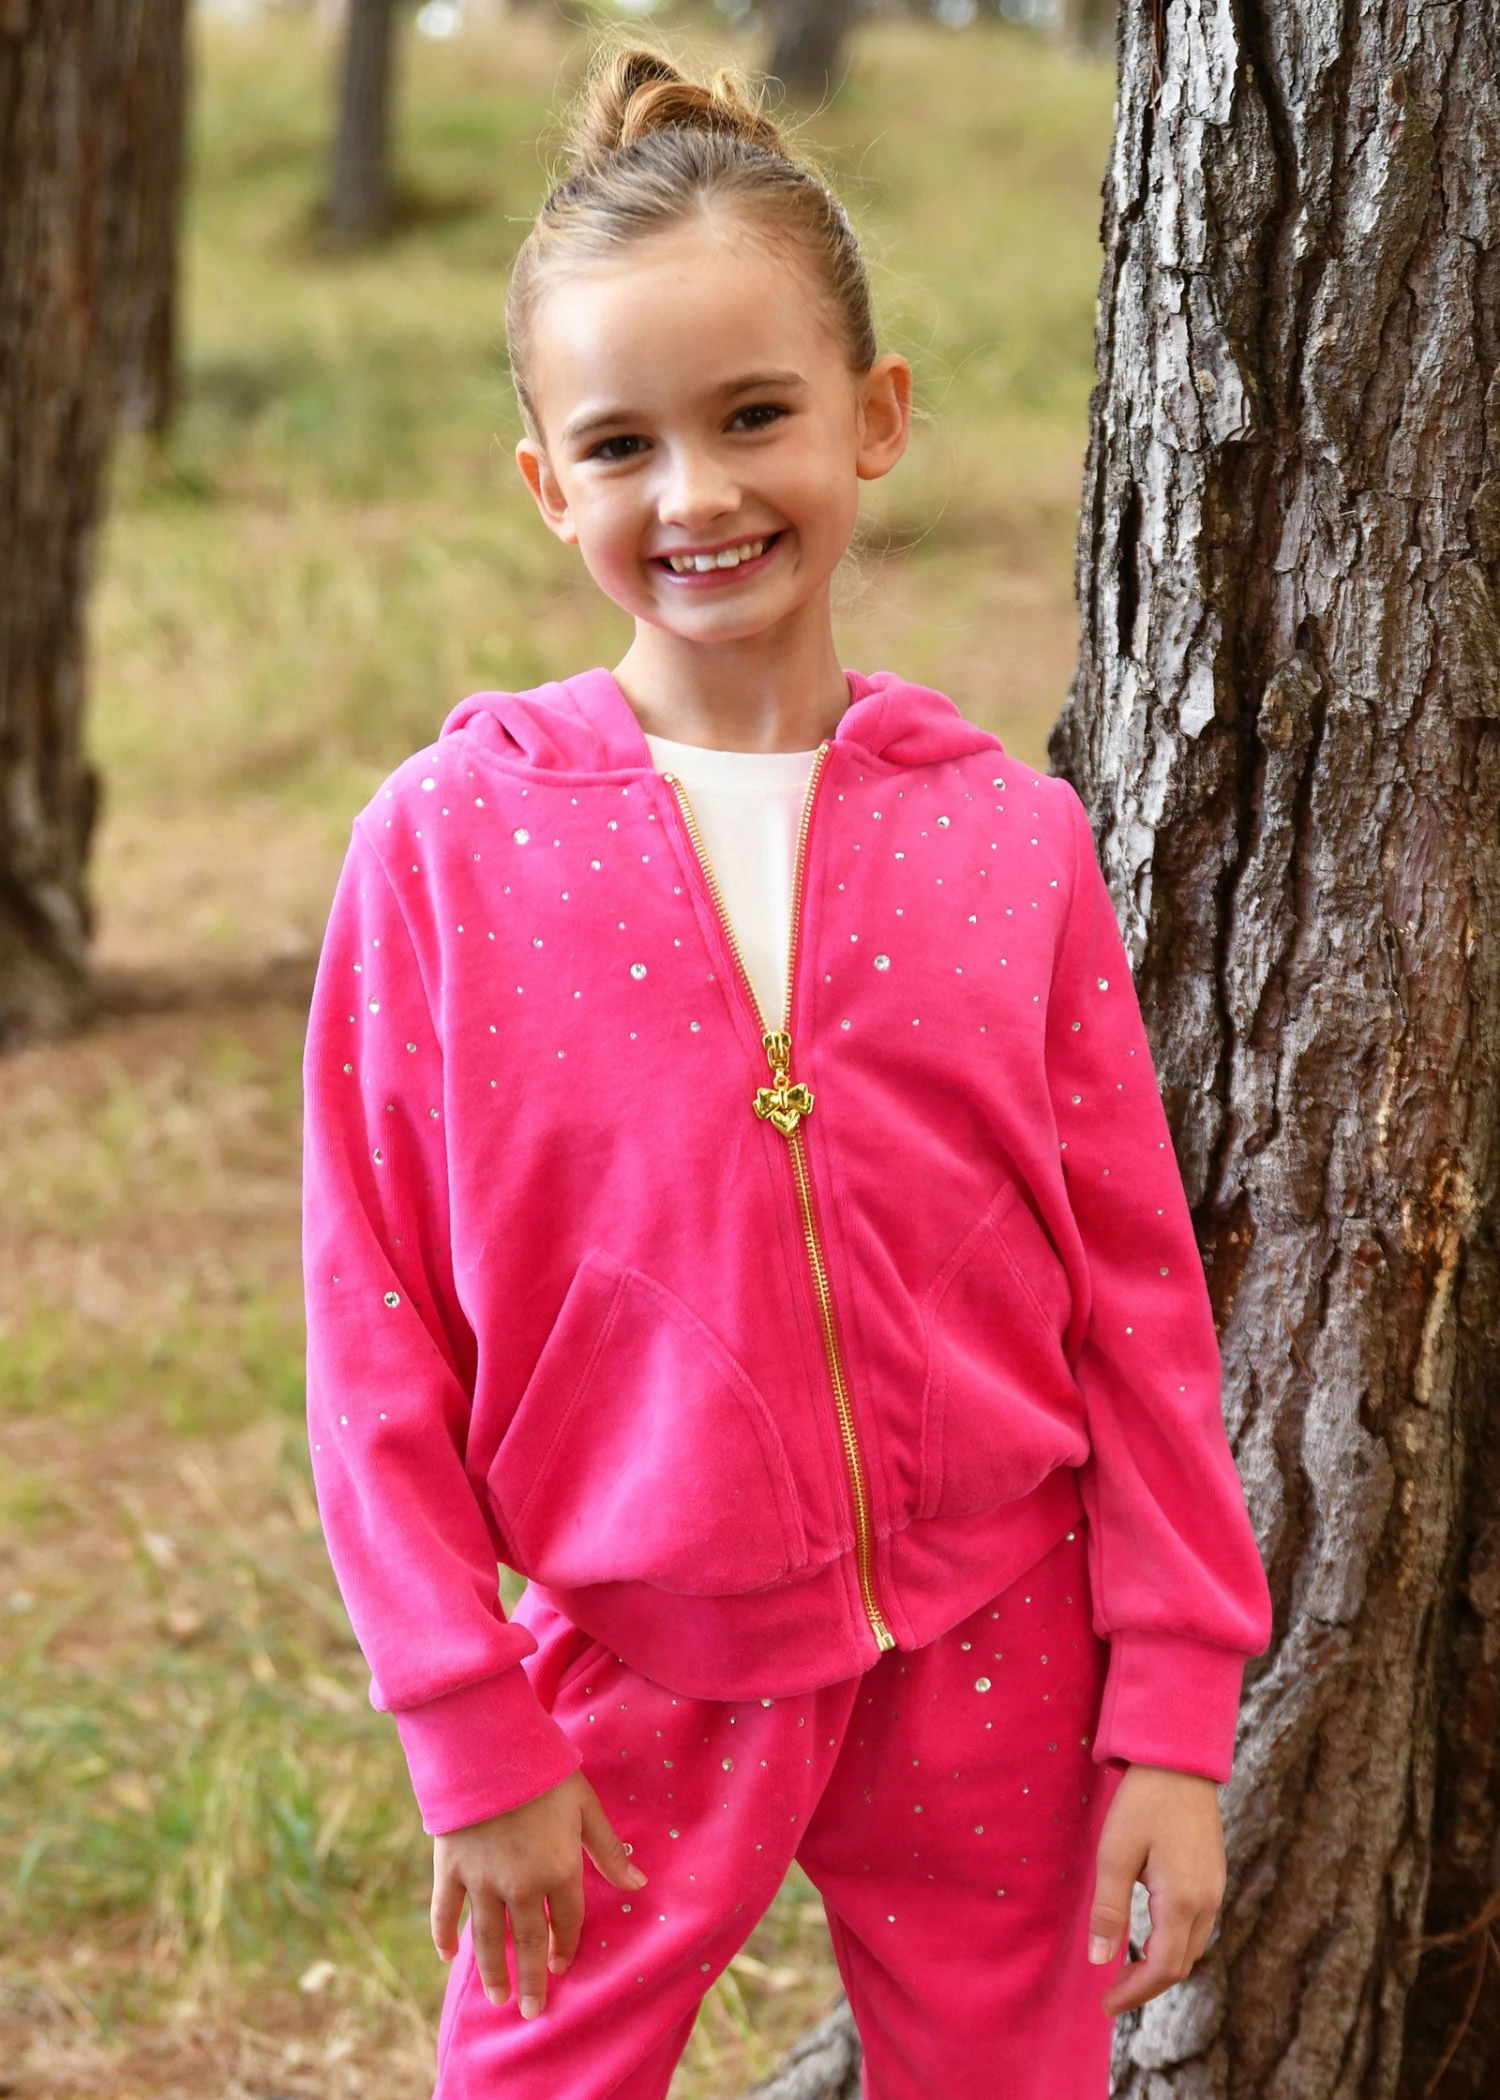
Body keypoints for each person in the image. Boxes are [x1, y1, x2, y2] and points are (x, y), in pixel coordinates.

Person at [300, 45, 1272, 2099]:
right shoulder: (445, 850)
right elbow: (370, 1321)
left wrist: (1176, 1713)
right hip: (629, 1650)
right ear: (545, 483)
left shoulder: (1010, 839)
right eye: (623, 444)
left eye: (755, 416)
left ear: (875, 416)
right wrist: (468, 1726)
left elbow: (1136, 1297)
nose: (698, 495)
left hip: (1002, 1638)